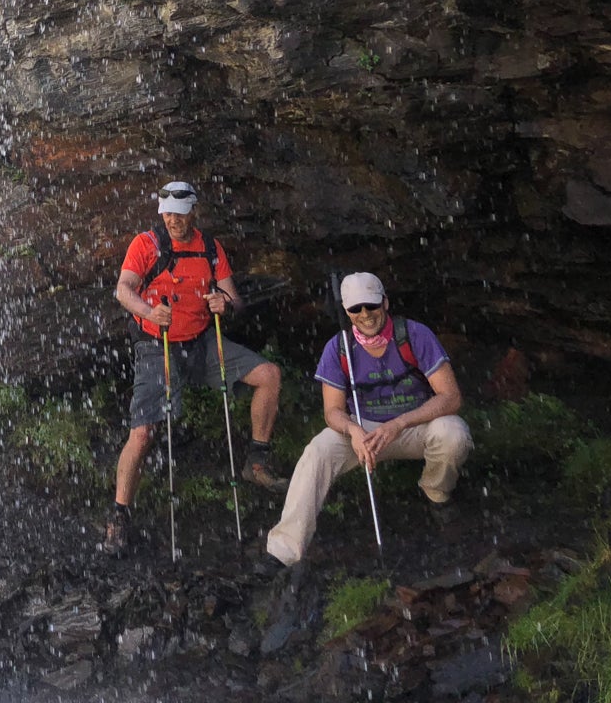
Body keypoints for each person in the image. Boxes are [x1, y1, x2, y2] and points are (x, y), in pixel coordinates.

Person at [106, 181, 287, 553]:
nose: (173, 220)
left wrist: (225, 303)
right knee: (142, 433)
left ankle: (256, 460)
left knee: (269, 375)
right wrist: (149, 311)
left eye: (180, 213)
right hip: (158, 345)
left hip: (203, 341)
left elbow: (235, 300)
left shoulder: (209, 248)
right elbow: (124, 290)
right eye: (167, 213)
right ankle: (119, 517)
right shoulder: (146, 244)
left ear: (193, 212)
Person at [265, 271, 472, 566]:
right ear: (347, 312)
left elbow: (451, 397)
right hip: (364, 432)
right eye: (356, 309)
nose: (365, 314)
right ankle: (284, 550)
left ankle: (436, 493)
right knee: (317, 452)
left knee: (454, 433)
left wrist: (399, 423)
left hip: (414, 425)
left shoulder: (414, 335)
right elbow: (332, 411)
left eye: (371, 306)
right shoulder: (338, 348)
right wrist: (353, 430)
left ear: (385, 303)